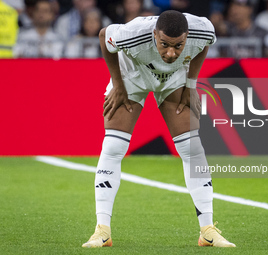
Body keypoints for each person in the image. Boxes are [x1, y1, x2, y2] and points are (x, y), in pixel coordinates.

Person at [82, 10, 236, 248]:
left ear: (187, 36)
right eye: (164, 44)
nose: (171, 52)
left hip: (174, 78)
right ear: (155, 34)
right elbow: (104, 37)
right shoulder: (132, 34)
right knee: (113, 146)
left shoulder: (202, 30)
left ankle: (207, 231)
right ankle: (102, 231)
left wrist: (191, 85)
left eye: (178, 46)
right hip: (132, 74)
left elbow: (203, 45)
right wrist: (117, 84)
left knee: (193, 147)